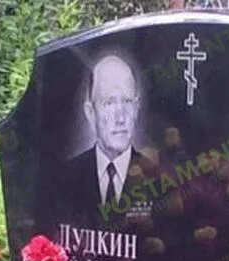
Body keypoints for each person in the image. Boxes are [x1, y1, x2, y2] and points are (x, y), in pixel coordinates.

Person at [55, 54, 156, 228]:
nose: (120, 118)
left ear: (136, 109)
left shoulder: (156, 177)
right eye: (109, 103)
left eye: (127, 102)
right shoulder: (65, 178)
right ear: (90, 113)